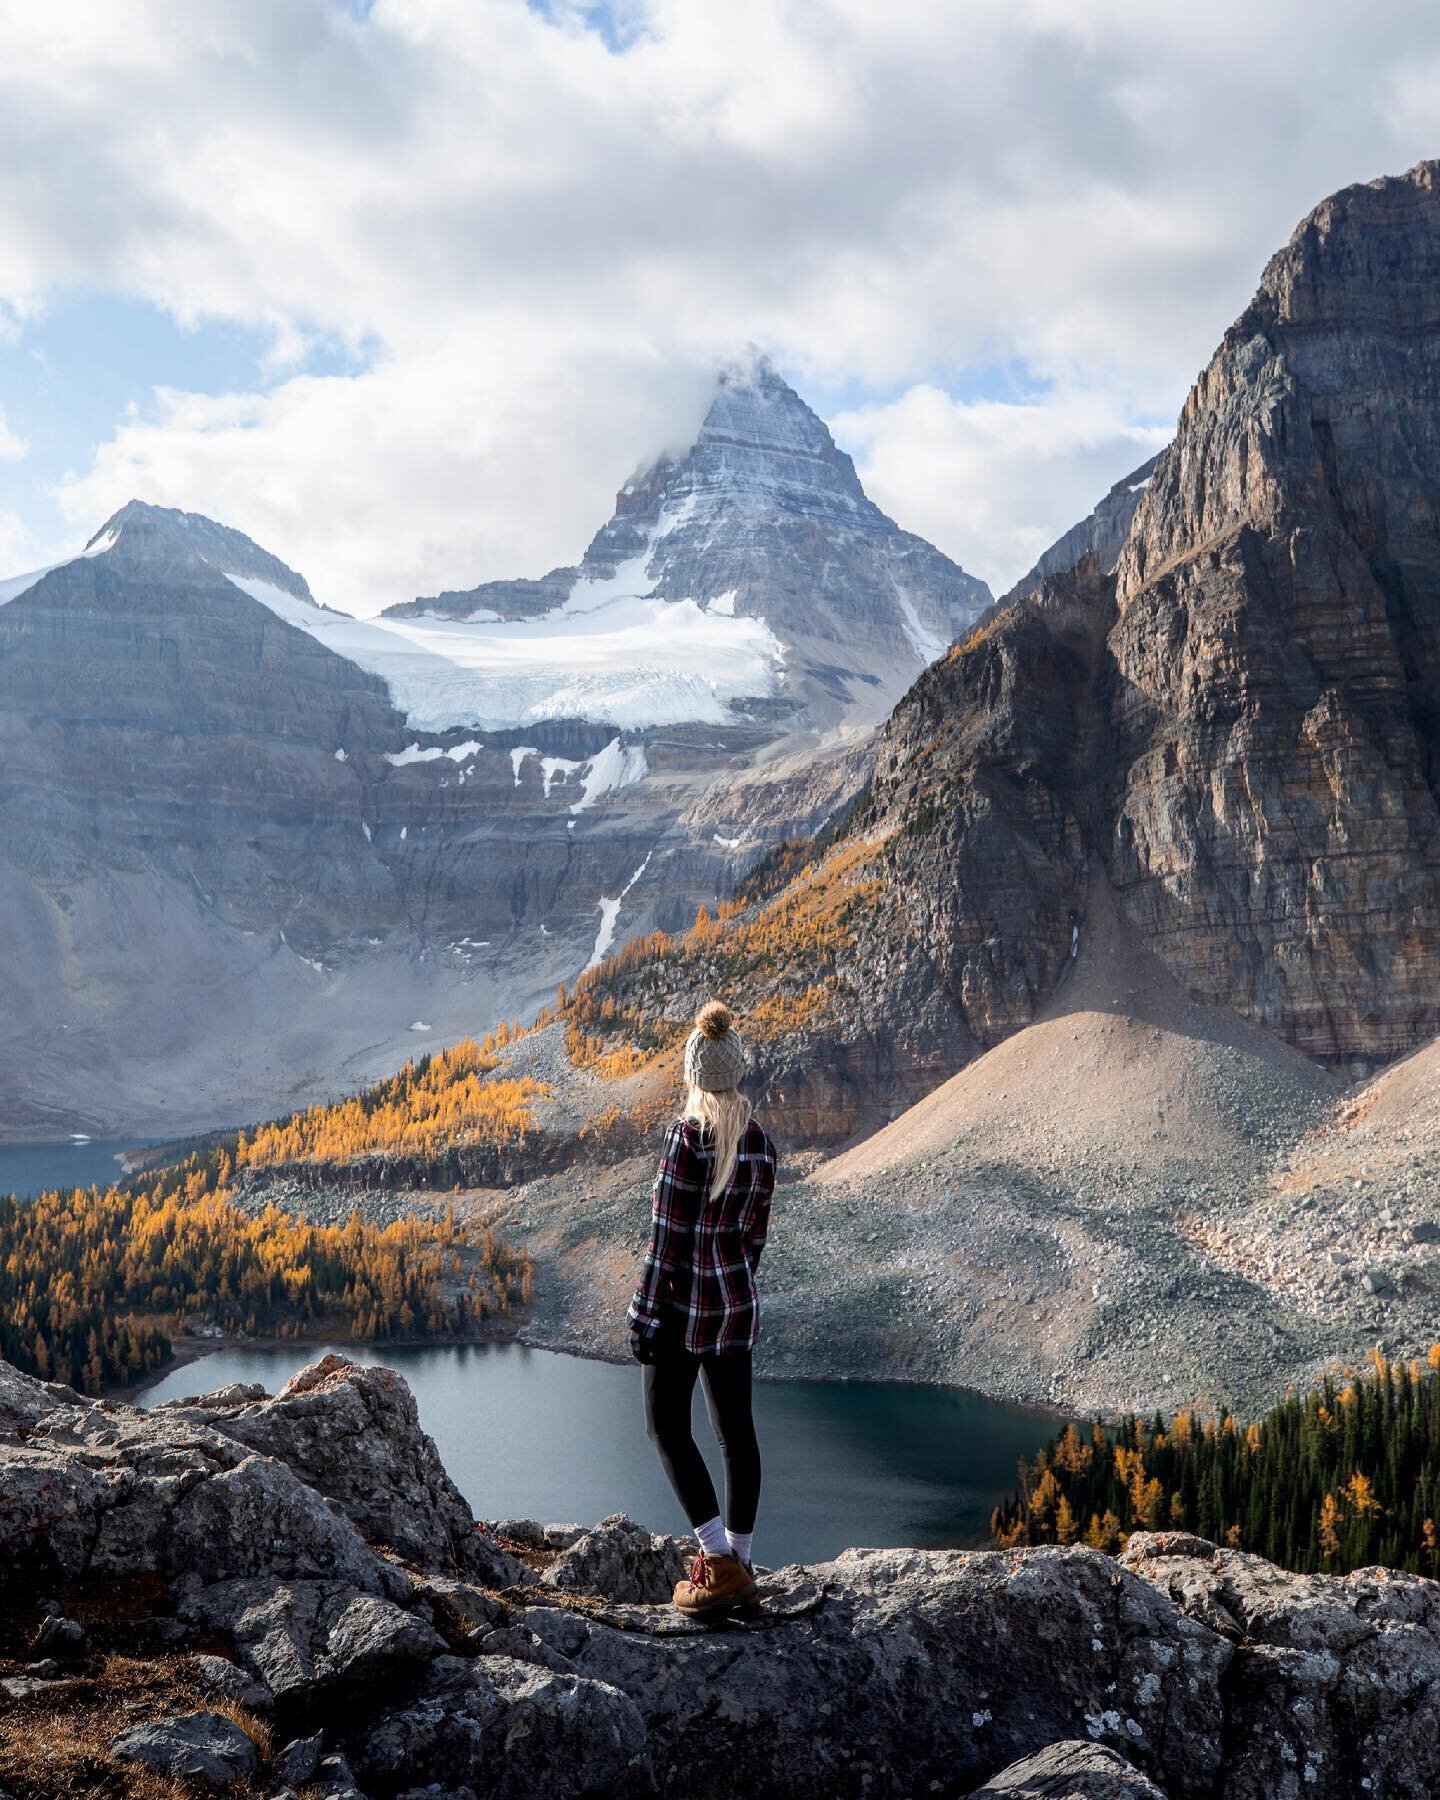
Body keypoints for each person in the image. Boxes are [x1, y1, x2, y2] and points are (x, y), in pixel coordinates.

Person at [627, 999, 778, 1616]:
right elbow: (754, 1239)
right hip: (734, 1308)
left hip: (680, 1311)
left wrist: (644, 1315)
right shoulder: (760, 1143)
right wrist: (733, 1288)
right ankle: (741, 1559)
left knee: (666, 1428)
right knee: (736, 1435)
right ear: (734, 1070)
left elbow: (667, 1239)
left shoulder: (686, 1139)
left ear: (693, 1073)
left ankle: (716, 1563)